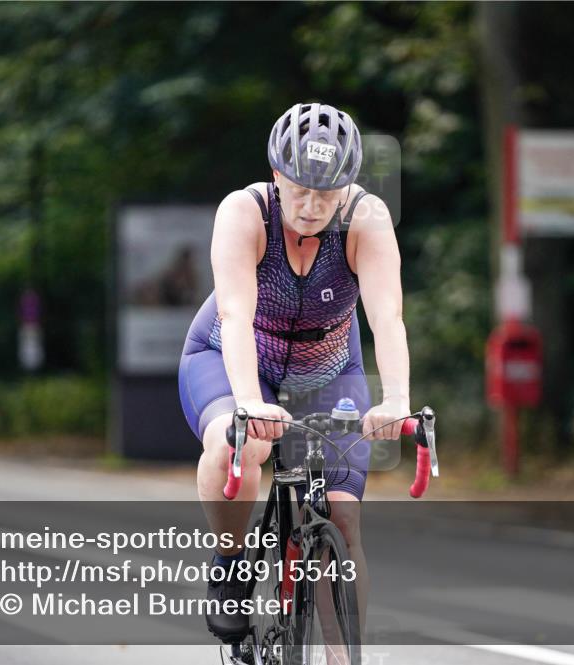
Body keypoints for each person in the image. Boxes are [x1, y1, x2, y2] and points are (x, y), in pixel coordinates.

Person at [178, 102, 410, 642]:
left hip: (329, 366)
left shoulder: (365, 220)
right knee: (240, 447)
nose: (311, 206)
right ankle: (231, 564)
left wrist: (396, 397)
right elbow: (235, 314)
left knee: (344, 519)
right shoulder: (245, 212)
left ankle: (341, 656)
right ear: (276, 175)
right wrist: (246, 405)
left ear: (348, 187)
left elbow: (388, 317)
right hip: (233, 355)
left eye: (326, 194)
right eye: (300, 189)